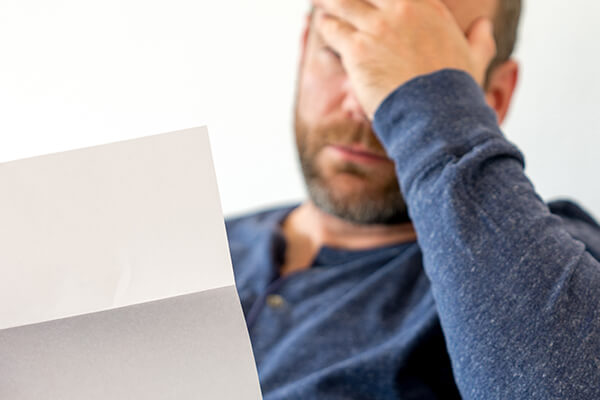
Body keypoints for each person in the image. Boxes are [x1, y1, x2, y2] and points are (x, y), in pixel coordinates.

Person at [226, 0, 600, 398]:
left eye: (410, 65)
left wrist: (429, 105)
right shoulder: (199, 241)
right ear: (304, 47)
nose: (361, 104)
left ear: (494, 96)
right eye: (340, 52)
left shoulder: (556, 262)